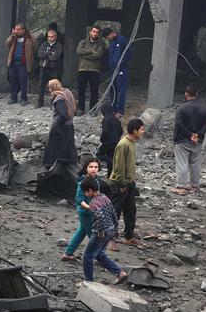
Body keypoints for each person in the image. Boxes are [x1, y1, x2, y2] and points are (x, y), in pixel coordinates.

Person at [81, 178, 128, 284]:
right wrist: (115, 229)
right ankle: (119, 273)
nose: (85, 194)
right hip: (110, 229)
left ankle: (89, 282)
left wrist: (100, 232)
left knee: (87, 257)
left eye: (85, 192)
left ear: (90, 191)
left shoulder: (93, 203)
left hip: (100, 233)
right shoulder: (105, 198)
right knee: (99, 255)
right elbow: (113, 213)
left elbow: (100, 217)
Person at [107, 118, 145, 248]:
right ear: (135, 131)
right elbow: (119, 166)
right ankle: (110, 239)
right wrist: (122, 184)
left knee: (130, 211)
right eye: (141, 129)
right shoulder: (123, 144)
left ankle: (129, 237)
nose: (143, 132)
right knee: (115, 212)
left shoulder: (131, 142)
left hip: (129, 183)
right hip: (120, 183)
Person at [171, 86, 206, 194]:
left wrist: (190, 135)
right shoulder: (204, 108)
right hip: (198, 141)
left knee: (182, 163)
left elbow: (179, 124)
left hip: (182, 139)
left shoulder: (181, 108)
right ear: (196, 94)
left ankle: (181, 186)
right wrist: (198, 134)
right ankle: (194, 185)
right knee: (195, 163)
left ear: (186, 94)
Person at [62, 157, 103, 261]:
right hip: (86, 213)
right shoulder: (83, 182)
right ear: (86, 168)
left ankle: (68, 253)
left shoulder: (96, 180)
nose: (93, 169)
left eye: (96, 167)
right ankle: (100, 257)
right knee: (93, 236)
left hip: (91, 212)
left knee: (81, 232)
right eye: (91, 167)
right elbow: (79, 199)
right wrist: (90, 208)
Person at [42, 79, 77, 169]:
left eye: (50, 88)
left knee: (56, 147)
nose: (49, 90)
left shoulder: (59, 99)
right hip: (69, 125)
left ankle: (52, 165)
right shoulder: (67, 92)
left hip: (62, 127)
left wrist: (55, 126)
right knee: (68, 145)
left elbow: (62, 115)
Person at [75, 25, 107, 115]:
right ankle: (80, 109)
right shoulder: (83, 42)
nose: (95, 34)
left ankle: (93, 109)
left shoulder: (101, 44)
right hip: (82, 69)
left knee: (94, 90)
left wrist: (85, 54)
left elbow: (98, 55)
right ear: (90, 32)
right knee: (81, 90)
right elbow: (79, 51)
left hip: (94, 70)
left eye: (97, 32)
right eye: (93, 31)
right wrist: (91, 51)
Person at [4, 23, 35, 105]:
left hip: (23, 64)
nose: (16, 31)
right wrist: (12, 36)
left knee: (23, 82)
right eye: (15, 29)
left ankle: (24, 99)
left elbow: (35, 47)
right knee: (13, 81)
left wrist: (31, 36)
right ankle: (13, 98)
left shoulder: (29, 38)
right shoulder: (14, 37)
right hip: (13, 63)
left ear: (23, 30)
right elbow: (7, 44)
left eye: (18, 29)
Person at [104, 27, 132, 114]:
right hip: (112, 70)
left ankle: (120, 110)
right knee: (113, 89)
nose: (108, 39)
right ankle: (113, 109)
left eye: (108, 37)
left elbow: (129, 53)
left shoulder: (122, 39)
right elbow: (111, 55)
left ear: (112, 33)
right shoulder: (111, 42)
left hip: (121, 69)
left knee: (120, 90)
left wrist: (122, 63)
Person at [35, 29, 63, 107]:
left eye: (51, 37)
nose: (50, 38)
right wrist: (50, 53)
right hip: (44, 68)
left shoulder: (58, 46)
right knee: (41, 85)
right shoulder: (44, 44)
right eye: (48, 37)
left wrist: (46, 54)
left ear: (55, 37)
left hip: (54, 68)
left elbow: (55, 57)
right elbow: (40, 54)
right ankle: (40, 102)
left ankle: (54, 102)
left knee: (54, 86)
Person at [97, 104, 123, 176]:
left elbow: (105, 131)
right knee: (110, 156)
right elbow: (121, 131)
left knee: (99, 154)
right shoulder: (116, 119)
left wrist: (102, 139)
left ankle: (113, 161)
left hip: (108, 142)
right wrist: (117, 138)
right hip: (116, 142)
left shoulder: (106, 119)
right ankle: (110, 174)